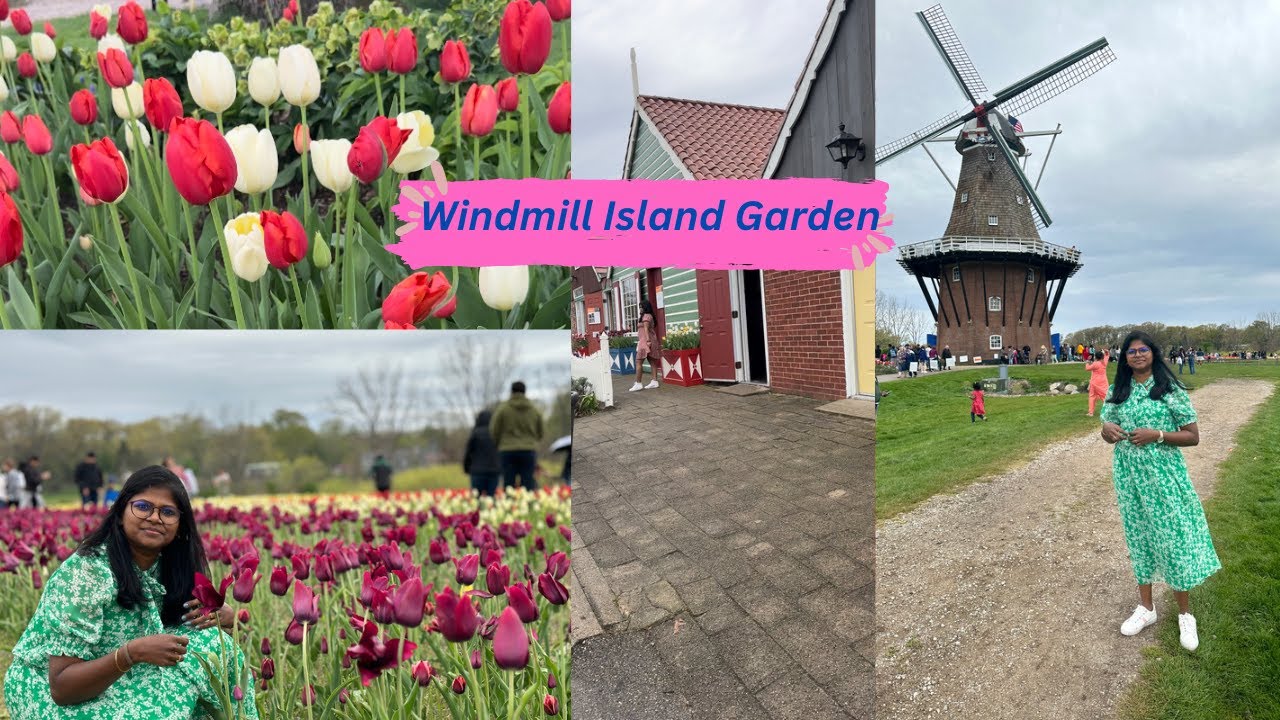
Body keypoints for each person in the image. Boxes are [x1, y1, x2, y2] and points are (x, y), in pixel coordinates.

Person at [2, 466, 258, 719]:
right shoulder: (87, 573)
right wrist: (130, 654)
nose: (155, 518)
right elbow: (62, 687)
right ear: (120, 512)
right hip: (51, 688)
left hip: (129, 674)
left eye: (168, 512)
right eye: (143, 507)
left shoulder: (175, 569)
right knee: (157, 705)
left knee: (216, 646)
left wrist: (225, 617)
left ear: (180, 525)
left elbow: (191, 638)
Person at [1100, 332, 1218, 652]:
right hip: (1130, 478)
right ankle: (1147, 609)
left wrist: (1158, 435)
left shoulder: (1169, 389)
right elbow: (1107, 428)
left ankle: (1185, 614)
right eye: (1131, 351)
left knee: (1174, 540)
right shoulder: (1117, 392)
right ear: (1124, 358)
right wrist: (1107, 431)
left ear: (1153, 353)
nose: (1138, 355)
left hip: (1165, 478)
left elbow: (1192, 436)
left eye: (1144, 350)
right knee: (1139, 538)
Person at [490, 381, 546, 491]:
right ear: (525, 392)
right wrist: (532, 441)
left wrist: (499, 444)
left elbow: (494, 430)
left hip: (507, 451)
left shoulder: (503, 409)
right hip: (528, 450)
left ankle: (509, 506)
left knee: (508, 485)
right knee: (528, 484)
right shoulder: (534, 410)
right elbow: (541, 431)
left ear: (511, 392)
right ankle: (528, 506)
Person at [463, 410, 501, 498]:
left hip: (477, 471)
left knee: (476, 498)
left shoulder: (475, 433)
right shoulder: (495, 433)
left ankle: (476, 512)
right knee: (490, 498)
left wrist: (466, 467)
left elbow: (469, 452)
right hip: (493, 471)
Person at [630, 300, 662, 392]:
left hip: (646, 342)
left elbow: (646, 329)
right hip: (648, 341)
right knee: (652, 362)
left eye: (641, 307)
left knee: (638, 362)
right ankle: (654, 381)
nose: (640, 308)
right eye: (639, 306)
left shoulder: (646, 316)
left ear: (646, 307)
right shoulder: (648, 316)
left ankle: (638, 383)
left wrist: (647, 341)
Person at [1085, 348, 1111, 417]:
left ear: (1096, 357)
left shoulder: (1095, 364)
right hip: (1103, 383)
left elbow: (1087, 368)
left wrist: (1087, 361)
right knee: (1105, 397)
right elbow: (1107, 356)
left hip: (1094, 383)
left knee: (1092, 397)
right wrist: (1107, 352)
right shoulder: (1104, 362)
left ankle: (1091, 413)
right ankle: (1110, 410)